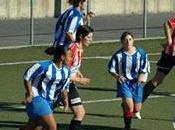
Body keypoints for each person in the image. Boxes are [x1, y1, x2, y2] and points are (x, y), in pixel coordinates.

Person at [19, 45, 71, 130]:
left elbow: (63, 88)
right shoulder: (44, 66)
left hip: (49, 102)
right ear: (62, 57)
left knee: (35, 127)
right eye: (70, 56)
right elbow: (27, 76)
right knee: (52, 127)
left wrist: (66, 100)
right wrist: (30, 94)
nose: (71, 58)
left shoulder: (67, 71)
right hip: (37, 98)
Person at [53, 25, 94, 130]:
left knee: (79, 112)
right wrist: (80, 80)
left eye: (91, 38)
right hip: (60, 86)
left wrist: (77, 71)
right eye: (88, 38)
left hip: (68, 85)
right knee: (42, 119)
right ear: (81, 36)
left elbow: (71, 66)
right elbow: (63, 71)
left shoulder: (79, 49)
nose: (91, 40)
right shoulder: (73, 49)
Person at [108, 32, 150, 130]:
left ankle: (125, 105)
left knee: (136, 109)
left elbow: (145, 65)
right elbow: (111, 69)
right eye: (125, 40)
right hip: (124, 82)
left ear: (133, 40)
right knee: (130, 107)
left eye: (130, 39)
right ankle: (127, 127)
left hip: (137, 83)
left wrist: (141, 75)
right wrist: (117, 76)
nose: (128, 42)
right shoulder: (118, 55)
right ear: (122, 42)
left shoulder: (141, 53)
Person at [142, 18, 175, 102]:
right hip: (170, 53)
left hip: (168, 53)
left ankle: (134, 103)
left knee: (157, 80)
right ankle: (135, 103)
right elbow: (167, 24)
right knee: (157, 80)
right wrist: (169, 40)